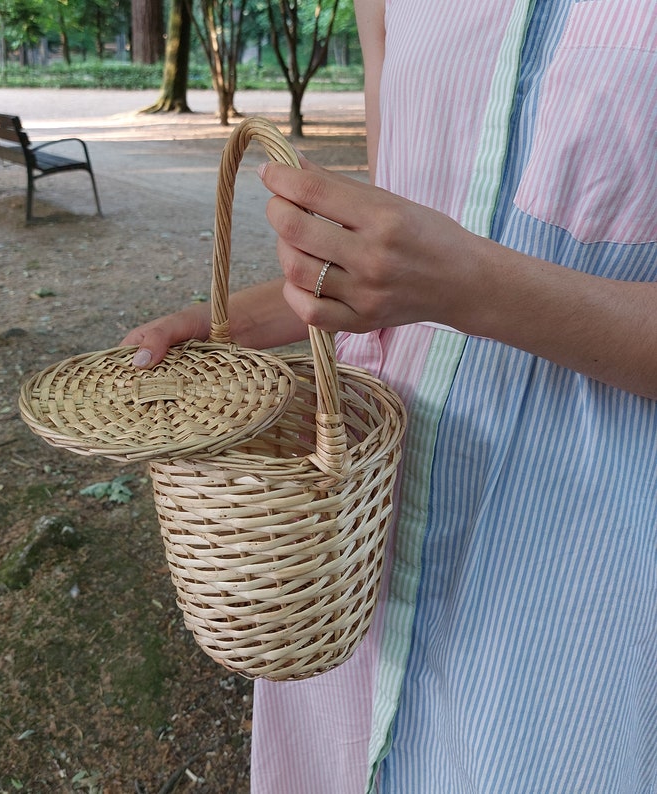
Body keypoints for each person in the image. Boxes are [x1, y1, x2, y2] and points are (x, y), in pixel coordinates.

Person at [123, 1, 656, 791]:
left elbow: (443, 261)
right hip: (358, 531)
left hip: (580, 563)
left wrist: (471, 284)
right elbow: (395, 228)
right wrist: (226, 324)